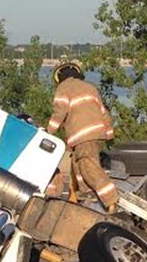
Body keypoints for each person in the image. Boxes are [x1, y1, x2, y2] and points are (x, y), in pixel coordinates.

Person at [46, 62, 117, 213]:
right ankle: (86, 197)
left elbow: (59, 112)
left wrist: (48, 132)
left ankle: (111, 201)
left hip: (82, 136)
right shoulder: (90, 88)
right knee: (77, 166)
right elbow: (104, 112)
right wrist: (109, 134)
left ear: (59, 78)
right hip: (98, 134)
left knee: (89, 168)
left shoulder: (63, 88)